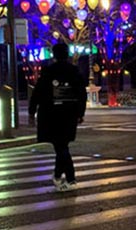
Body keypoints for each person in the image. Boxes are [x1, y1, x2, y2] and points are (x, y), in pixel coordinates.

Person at [29, 43, 87, 192]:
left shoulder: (49, 72)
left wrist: (32, 111)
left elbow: (38, 92)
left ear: (54, 55)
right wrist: (80, 113)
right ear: (67, 54)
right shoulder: (74, 72)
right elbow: (81, 94)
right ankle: (57, 175)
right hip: (69, 113)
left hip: (51, 114)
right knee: (62, 145)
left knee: (60, 146)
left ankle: (70, 178)